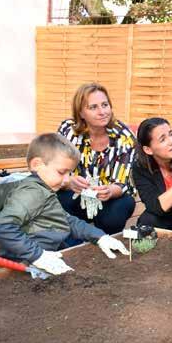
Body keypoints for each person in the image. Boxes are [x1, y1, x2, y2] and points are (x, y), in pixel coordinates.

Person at [0, 133, 129, 275]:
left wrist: (100, 237)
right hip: (22, 264)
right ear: (37, 164)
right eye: (62, 172)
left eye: (69, 173)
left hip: (46, 256)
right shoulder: (31, 192)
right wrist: (38, 256)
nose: (67, 180)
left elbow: (67, 220)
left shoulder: (44, 190)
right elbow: (2, 227)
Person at [57, 82, 137, 236]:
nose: (102, 112)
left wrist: (109, 191)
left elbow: (123, 182)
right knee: (57, 201)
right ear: (80, 113)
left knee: (117, 211)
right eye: (93, 107)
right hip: (76, 193)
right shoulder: (68, 131)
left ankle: (104, 243)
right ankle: (71, 243)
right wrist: (69, 181)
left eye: (105, 105)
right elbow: (55, 169)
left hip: (110, 197)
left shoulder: (124, 137)